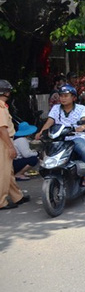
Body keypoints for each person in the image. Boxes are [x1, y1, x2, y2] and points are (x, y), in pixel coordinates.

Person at [36, 85, 85, 187]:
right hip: (59, 138)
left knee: (84, 151)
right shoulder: (56, 108)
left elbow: (84, 121)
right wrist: (41, 132)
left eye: (66, 96)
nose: (63, 98)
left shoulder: (81, 108)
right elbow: (50, 121)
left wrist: (81, 127)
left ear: (74, 97)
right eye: (61, 96)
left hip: (75, 137)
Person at [0, 79, 31, 210]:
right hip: (3, 141)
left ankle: (17, 196)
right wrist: (11, 147)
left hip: (5, 140)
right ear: (5, 92)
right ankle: (1, 201)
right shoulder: (1, 107)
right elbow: (2, 129)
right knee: (3, 173)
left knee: (9, 171)